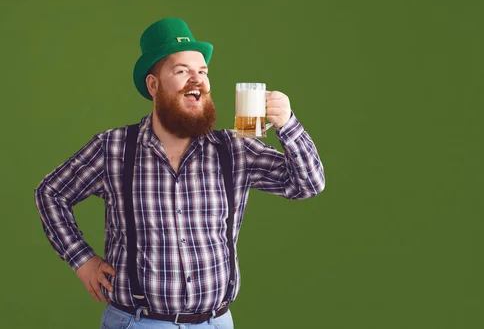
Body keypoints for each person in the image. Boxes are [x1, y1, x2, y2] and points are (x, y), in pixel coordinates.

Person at [34, 17, 325, 328]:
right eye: (182, 71)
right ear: (153, 85)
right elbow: (50, 193)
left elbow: (307, 184)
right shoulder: (114, 148)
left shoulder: (234, 149)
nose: (196, 79)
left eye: (202, 72)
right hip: (137, 322)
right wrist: (83, 261)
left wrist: (288, 124)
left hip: (215, 322)